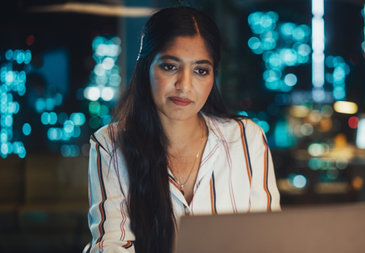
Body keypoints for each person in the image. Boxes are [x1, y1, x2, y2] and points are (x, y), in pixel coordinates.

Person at [88, 6, 280, 253]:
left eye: (200, 70)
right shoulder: (111, 143)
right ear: (146, 67)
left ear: (213, 77)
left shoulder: (246, 138)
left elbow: (268, 239)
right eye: (170, 66)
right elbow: (111, 245)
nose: (185, 85)